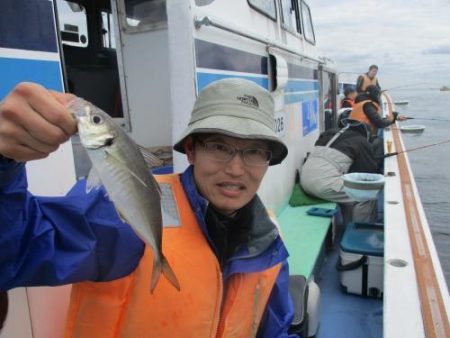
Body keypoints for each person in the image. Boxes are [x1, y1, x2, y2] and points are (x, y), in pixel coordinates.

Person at [0, 79, 297, 337]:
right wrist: (4, 161)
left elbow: (275, 329)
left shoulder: (267, 239)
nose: (235, 169)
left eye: (255, 152)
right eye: (219, 147)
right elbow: (16, 252)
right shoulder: (120, 216)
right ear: (191, 151)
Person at [300, 120, 381, 224]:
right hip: (321, 186)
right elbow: (369, 173)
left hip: (304, 180)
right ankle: (359, 232)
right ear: (366, 134)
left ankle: (347, 225)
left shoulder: (328, 133)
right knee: (366, 195)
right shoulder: (361, 141)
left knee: (346, 190)